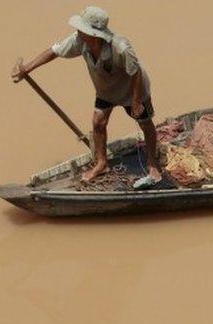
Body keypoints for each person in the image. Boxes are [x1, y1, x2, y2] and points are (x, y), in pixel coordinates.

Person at [11, 6, 162, 189]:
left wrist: (137, 101)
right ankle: (102, 163)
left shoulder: (121, 47)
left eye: (82, 29)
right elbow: (53, 51)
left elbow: (135, 72)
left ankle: (153, 164)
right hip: (106, 90)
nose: (78, 31)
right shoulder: (79, 40)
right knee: (98, 122)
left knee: (145, 123)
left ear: (95, 34)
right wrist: (27, 68)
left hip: (133, 89)